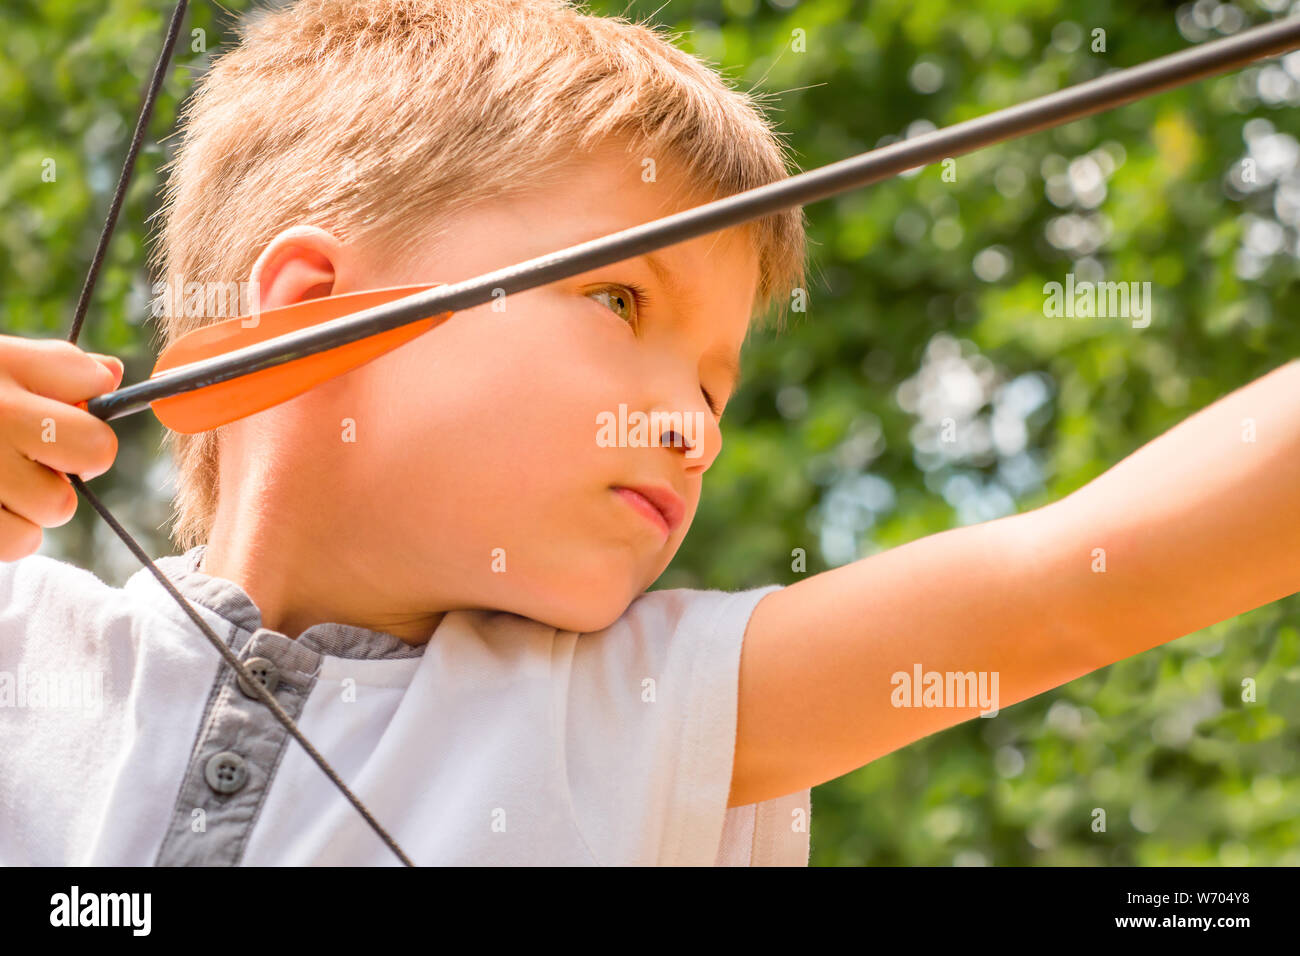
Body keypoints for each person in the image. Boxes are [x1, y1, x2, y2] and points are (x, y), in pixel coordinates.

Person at [1, 0, 1297, 866]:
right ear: (311, 319)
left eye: (719, 389)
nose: (692, 428)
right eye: (621, 298)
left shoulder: (650, 712)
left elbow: (1070, 587)